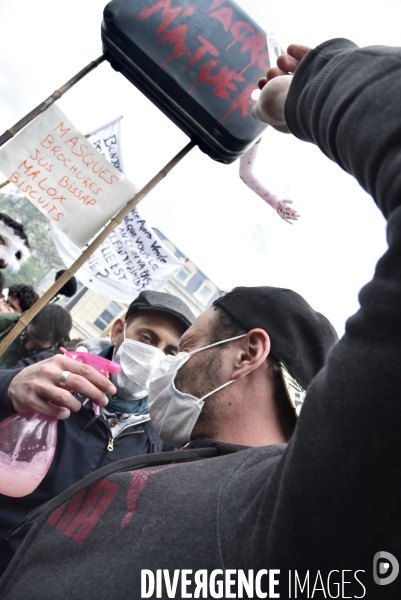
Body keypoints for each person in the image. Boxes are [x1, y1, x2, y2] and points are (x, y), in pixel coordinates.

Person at [1, 37, 400, 599]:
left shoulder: (294, 515)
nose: (166, 363)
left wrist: (315, 88)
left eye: (184, 345)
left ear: (247, 354)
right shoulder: (174, 467)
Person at [0, 290, 195, 576]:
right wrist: (9, 385)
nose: (155, 357)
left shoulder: (161, 442)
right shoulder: (54, 373)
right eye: (147, 338)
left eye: (170, 352)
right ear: (118, 332)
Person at [0, 303, 72, 369]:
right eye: (28, 337)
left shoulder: (59, 362)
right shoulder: (6, 321)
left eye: (37, 346)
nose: (27, 345)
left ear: (55, 342)